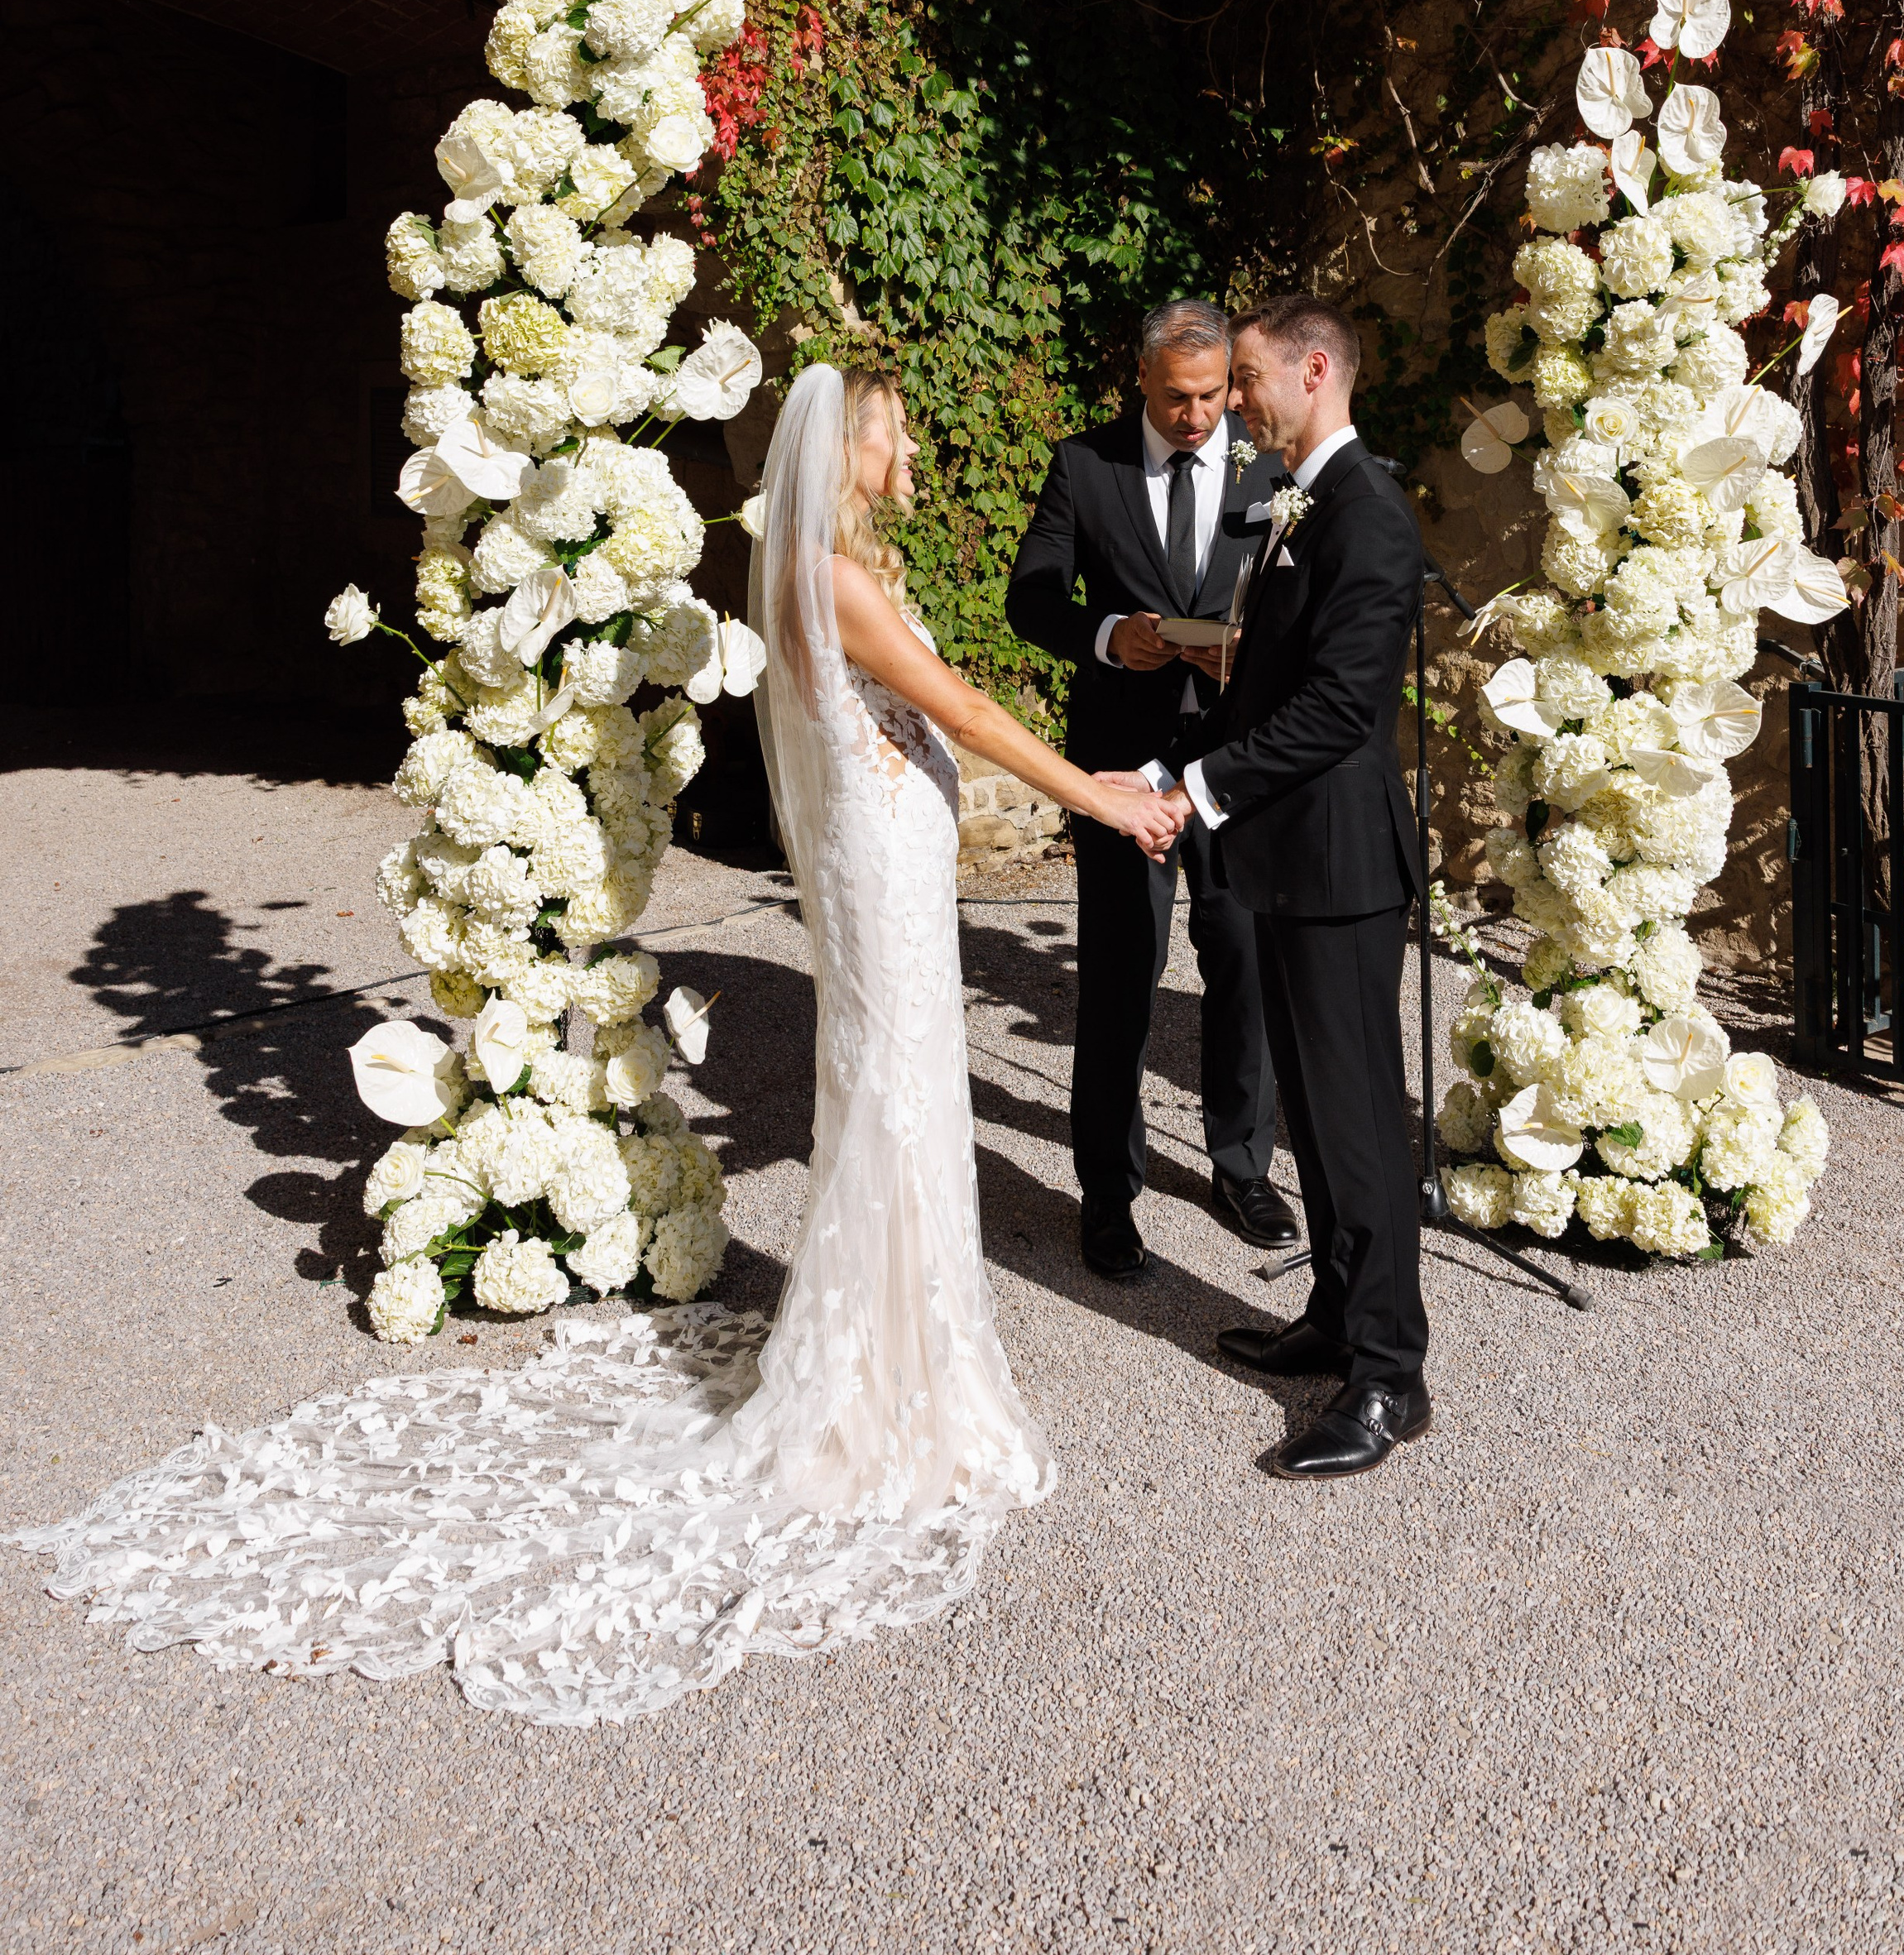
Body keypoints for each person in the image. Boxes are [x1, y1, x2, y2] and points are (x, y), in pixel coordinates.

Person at [16, 364, 1187, 1720]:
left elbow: (933, 712)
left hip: (901, 851)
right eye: (892, 428)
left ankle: (899, 1354)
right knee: (901, 1098)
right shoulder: (833, 573)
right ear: (848, 445)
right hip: (887, 861)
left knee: (904, 1092)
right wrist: (1094, 799)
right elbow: (969, 714)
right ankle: (882, 1384)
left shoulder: (839, 562)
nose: (907, 444)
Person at [1108, 294, 1431, 1483]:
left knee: (1358, 1129)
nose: (1234, 401)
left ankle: (1393, 1375)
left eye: (1246, 379)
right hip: (1289, 859)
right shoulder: (1303, 504)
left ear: (1312, 368)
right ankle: (1339, 1319)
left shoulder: (1368, 515)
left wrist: (1196, 785)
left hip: (1342, 867)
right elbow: (1275, 679)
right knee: (1314, 1111)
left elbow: (1345, 707)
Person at [1006, 299, 1297, 1280]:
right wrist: (1106, 633)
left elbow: (1305, 600)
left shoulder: (1271, 471)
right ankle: (1107, 1195)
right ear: (1139, 379)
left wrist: (1259, 661)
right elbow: (1030, 598)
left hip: (1238, 764)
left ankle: (1239, 1165)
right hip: (1121, 768)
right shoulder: (1083, 466)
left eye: (1214, 395)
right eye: (1177, 397)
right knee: (1122, 978)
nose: (1197, 415)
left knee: (1244, 968)